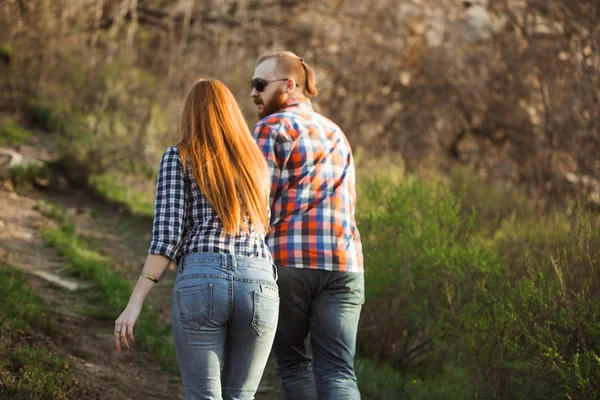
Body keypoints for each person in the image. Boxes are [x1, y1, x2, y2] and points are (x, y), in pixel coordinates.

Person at [114, 79, 279, 400]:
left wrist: (135, 303)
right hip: (260, 283)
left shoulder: (179, 157)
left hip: (204, 279)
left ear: (190, 115)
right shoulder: (256, 164)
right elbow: (265, 226)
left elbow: (166, 238)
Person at [250, 51, 365, 400]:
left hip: (290, 262)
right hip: (345, 265)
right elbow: (351, 201)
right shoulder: (336, 133)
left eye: (260, 85)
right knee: (339, 372)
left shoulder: (270, 128)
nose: (253, 93)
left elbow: (256, 202)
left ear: (289, 84)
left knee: (293, 363)